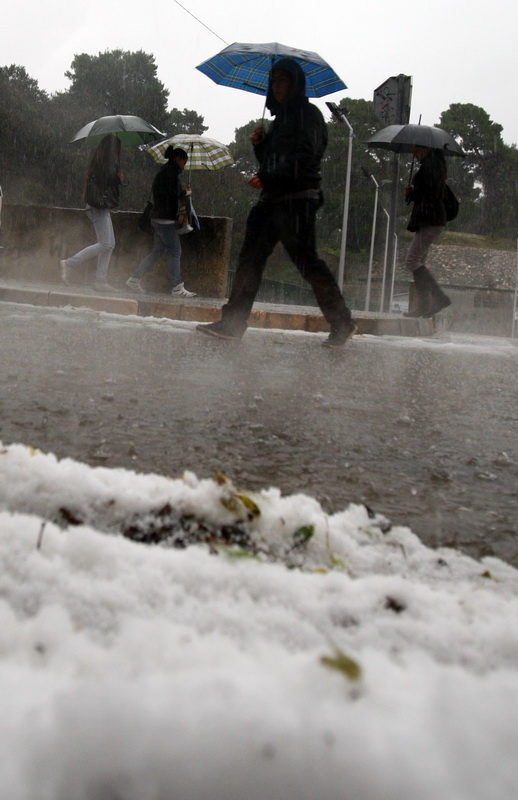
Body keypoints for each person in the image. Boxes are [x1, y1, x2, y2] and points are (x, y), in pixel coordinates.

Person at [196, 58, 355, 347]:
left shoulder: (309, 115)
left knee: (307, 264)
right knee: (249, 261)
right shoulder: (279, 121)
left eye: (283, 80)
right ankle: (232, 323)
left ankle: (342, 322)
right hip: (270, 201)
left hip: (296, 202)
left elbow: (306, 158)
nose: (277, 86)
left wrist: (269, 174)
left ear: (295, 83)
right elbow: (271, 161)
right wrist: (261, 146)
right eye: (274, 80)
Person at [125, 146, 196, 297]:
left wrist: (183, 193)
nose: (184, 165)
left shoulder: (165, 171)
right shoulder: (170, 173)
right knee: (175, 251)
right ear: (178, 159)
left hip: (157, 217)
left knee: (157, 252)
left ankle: (134, 279)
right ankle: (177, 286)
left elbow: (169, 194)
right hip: (165, 219)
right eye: (184, 162)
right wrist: (183, 199)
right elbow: (170, 197)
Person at [60, 133, 124, 292]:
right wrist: (117, 178)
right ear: (113, 149)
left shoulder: (102, 160)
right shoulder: (106, 162)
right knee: (105, 244)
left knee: (110, 245)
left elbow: (106, 182)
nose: (119, 152)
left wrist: (118, 177)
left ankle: (100, 281)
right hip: (98, 206)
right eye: (118, 148)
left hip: (100, 206)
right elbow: (106, 181)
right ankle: (69, 263)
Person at [403, 146, 452, 318]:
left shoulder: (430, 167)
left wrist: (415, 192)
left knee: (412, 261)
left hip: (430, 219)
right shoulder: (434, 165)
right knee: (418, 261)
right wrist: (413, 193)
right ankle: (424, 305)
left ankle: (439, 297)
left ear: (425, 149)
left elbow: (430, 194)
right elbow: (428, 193)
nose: (414, 154)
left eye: (417, 150)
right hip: (432, 219)